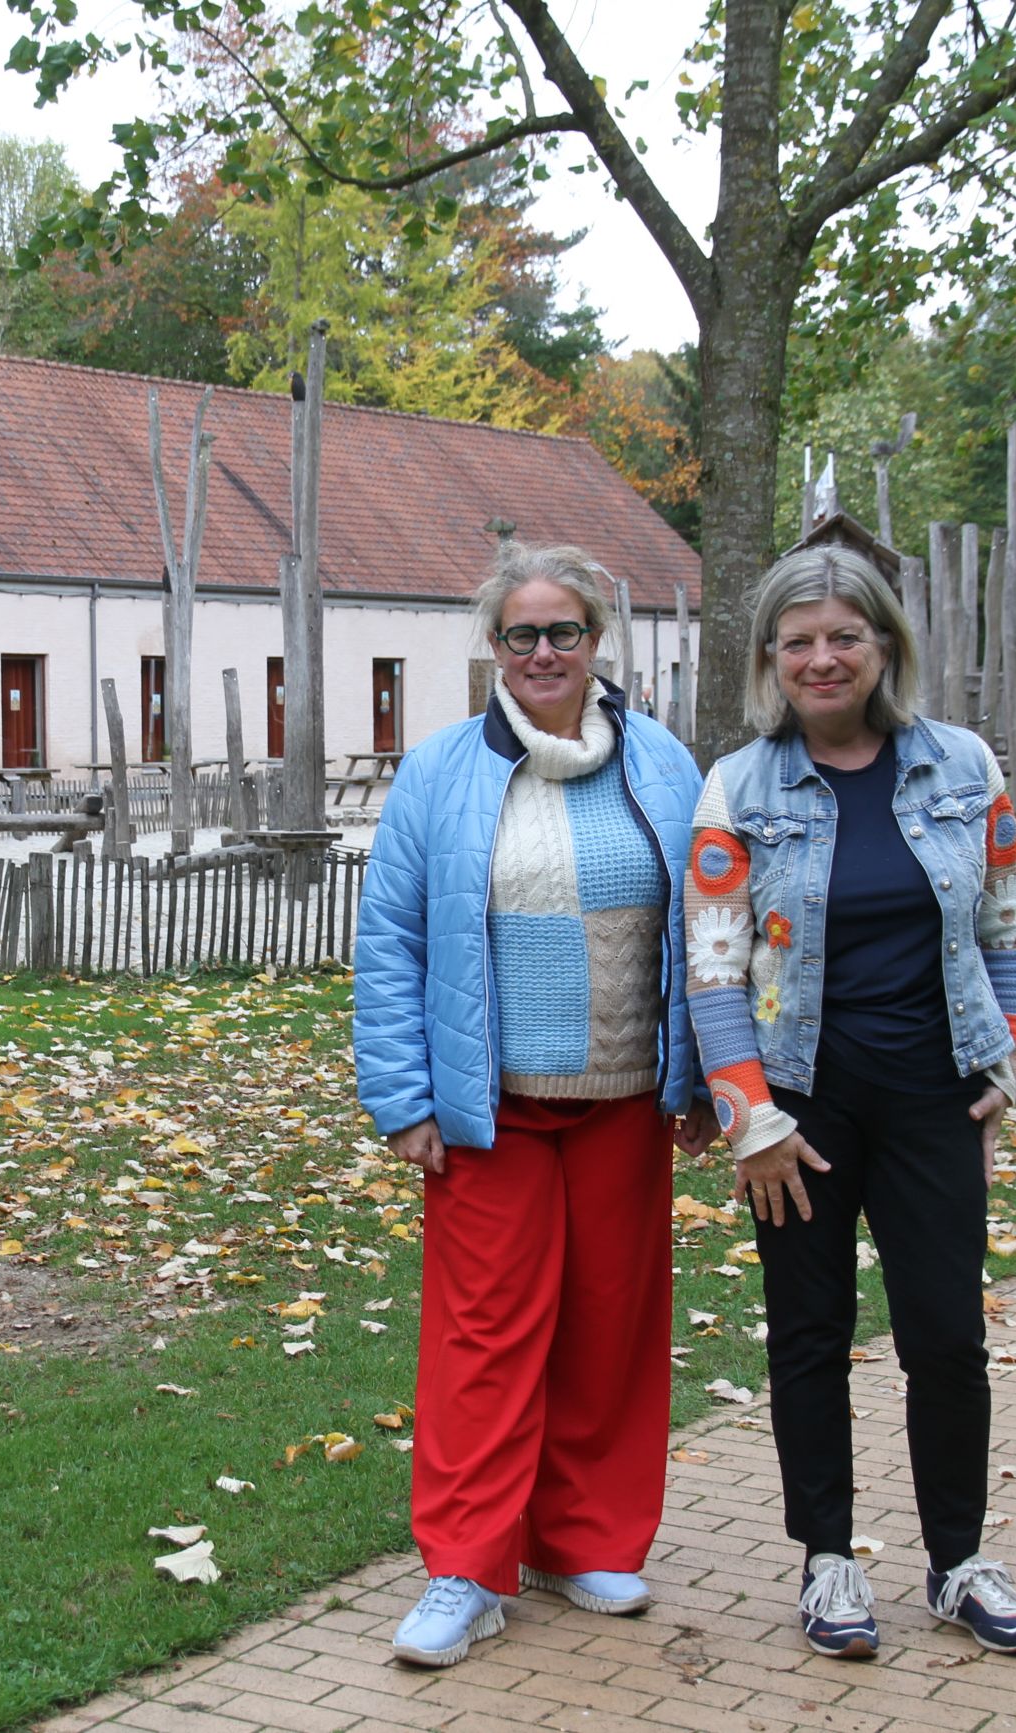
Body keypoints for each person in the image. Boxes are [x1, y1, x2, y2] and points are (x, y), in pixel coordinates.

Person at [353, 541, 714, 1669]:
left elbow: (706, 933)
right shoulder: (440, 771)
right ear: (493, 647)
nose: (543, 651)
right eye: (521, 633)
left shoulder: (662, 764)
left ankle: (584, 1538)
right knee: (484, 1336)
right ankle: (466, 1566)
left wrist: (700, 1077)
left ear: (597, 639)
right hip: (486, 1107)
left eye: (563, 631)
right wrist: (403, 1096)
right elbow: (390, 943)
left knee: (607, 1326)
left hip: (620, 1101)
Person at [680, 540, 1016, 1659]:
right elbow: (710, 968)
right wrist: (752, 1122)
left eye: (844, 635)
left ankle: (955, 1559)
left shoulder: (964, 765)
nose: (821, 658)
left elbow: (1003, 933)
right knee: (807, 1335)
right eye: (798, 641)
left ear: (884, 645)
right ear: (769, 660)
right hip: (800, 1113)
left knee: (944, 1338)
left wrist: (1004, 1068)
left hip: (934, 1099)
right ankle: (826, 1558)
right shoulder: (738, 786)